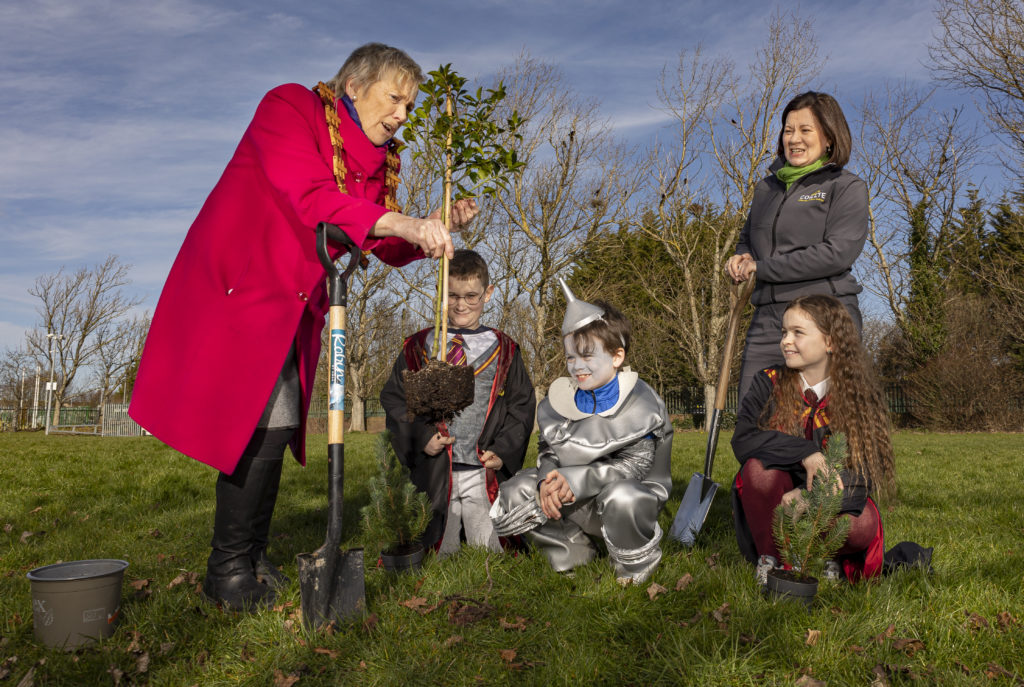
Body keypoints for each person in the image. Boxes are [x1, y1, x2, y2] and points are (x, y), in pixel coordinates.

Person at [129, 43, 480, 611]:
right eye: (395, 98)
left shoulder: (379, 161)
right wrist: (405, 223)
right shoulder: (290, 108)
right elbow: (312, 196)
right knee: (252, 420)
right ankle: (226, 571)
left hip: (297, 303)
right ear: (354, 86)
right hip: (240, 289)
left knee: (278, 422)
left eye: (411, 107)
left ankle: (248, 558)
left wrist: (431, 225)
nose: (401, 116)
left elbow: (378, 239)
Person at [489, 282, 672, 585]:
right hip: (570, 496)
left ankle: (633, 568)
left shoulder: (642, 403)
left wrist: (575, 480)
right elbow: (548, 449)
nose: (576, 366)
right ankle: (572, 553)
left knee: (622, 496)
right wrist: (549, 482)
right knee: (517, 490)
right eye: (570, 357)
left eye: (587, 355)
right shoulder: (559, 402)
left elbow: (636, 468)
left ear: (617, 356)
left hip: (626, 496)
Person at [730, 294, 896, 584]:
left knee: (862, 523)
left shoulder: (858, 394)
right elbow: (743, 440)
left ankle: (823, 558)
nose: (785, 341)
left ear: (830, 342)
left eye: (798, 333)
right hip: (775, 498)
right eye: (784, 332)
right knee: (757, 470)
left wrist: (810, 496)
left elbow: (866, 473)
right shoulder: (767, 381)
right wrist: (806, 453)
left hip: (830, 496)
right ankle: (772, 560)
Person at [380, 250, 535, 556]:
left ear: (488, 293)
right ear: (440, 293)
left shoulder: (504, 348)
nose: (461, 304)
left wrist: (502, 451)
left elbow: (521, 405)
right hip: (438, 471)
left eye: (471, 295)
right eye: (452, 295)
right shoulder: (420, 346)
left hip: (483, 470)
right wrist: (422, 438)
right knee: (437, 552)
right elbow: (395, 397)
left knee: (491, 550)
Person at [725, 91, 869, 402]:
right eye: (788, 130)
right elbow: (749, 237)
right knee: (754, 422)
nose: (794, 138)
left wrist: (761, 268)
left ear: (829, 137)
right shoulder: (766, 189)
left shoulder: (845, 187)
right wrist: (742, 256)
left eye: (806, 130)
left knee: (826, 429)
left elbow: (837, 254)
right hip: (769, 319)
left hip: (824, 315)